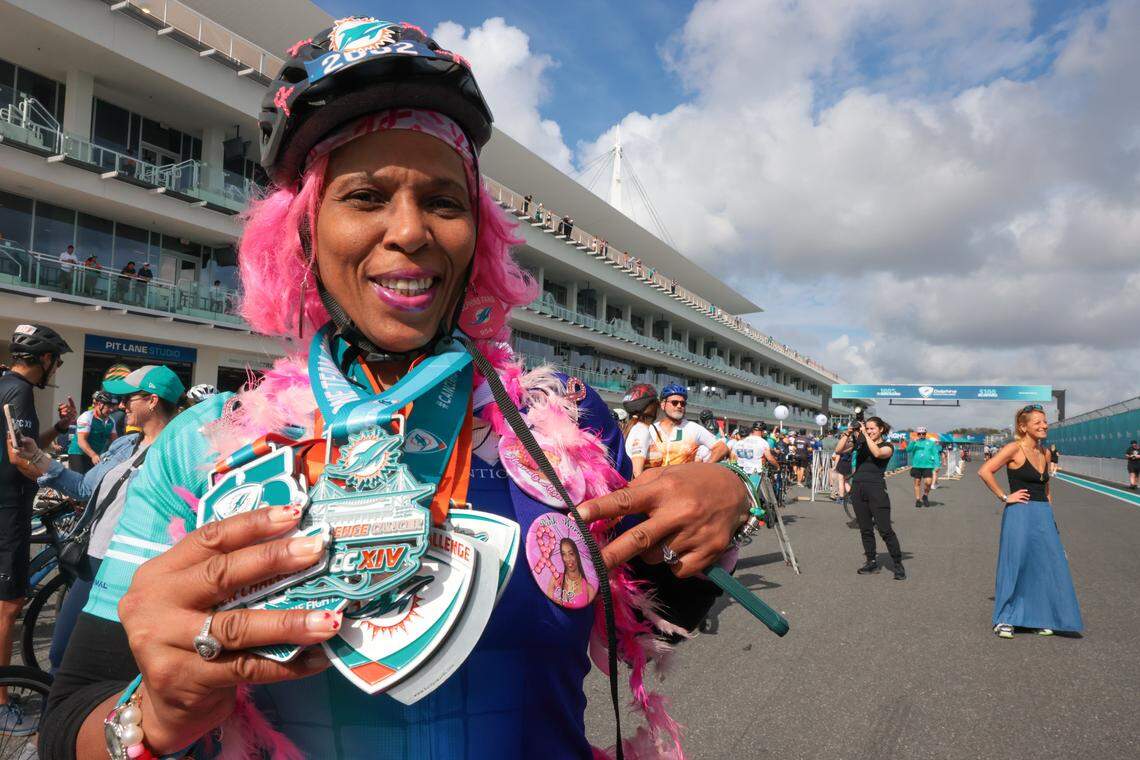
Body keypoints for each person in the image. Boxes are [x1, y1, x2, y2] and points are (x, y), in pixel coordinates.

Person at [42, 20, 754, 759]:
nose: (410, 230)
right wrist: (152, 720)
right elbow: (69, 727)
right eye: (366, 196)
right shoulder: (203, 448)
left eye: (445, 202)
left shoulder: (562, 424)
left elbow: (647, 617)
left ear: (479, 237)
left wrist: (714, 520)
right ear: (305, 233)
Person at [14, 365, 185, 673]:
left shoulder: (179, 455)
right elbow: (82, 488)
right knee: (60, 653)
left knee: (118, 664)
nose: (121, 406)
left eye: (128, 398)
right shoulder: (125, 445)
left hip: (135, 572)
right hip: (92, 560)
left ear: (153, 401)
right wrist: (36, 456)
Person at [0, 324, 75, 734]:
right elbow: (20, 459)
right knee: (9, 607)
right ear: (44, 359)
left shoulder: (5, 385)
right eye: (57, 360)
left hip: (6, 504)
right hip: (8, 507)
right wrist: (66, 482)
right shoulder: (21, 392)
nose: (57, 366)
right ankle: (1, 700)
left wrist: (60, 432)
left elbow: (26, 446)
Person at [977, 405, 1082, 638]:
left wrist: (1051, 519)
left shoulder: (1045, 453)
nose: (1044, 426)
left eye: (1045, 422)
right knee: (1015, 562)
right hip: (1019, 512)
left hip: (1042, 514)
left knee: (1042, 565)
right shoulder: (1013, 448)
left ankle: (1035, 617)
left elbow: (1046, 489)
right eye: (1038, 422)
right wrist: (1005, 496)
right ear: (1023, 427)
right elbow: (985, 471)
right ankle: (1005, 618)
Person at [836, 416, 905, 580]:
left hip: (876, 490)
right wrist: (847, 434)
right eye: (867, 428)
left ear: (881, 429)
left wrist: (865, 435)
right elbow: (839, 450)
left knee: (885, 529)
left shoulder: (887, 446)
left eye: (872, 428)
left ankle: (897, 564)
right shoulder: (860, 444)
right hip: (858, 489)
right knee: (865, 529)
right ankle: (871, 562)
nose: (869, 431)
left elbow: (877, 452)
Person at [652, 384, 729, 467]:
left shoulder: (693, 428)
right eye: (674, 403)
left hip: (684, 478)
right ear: (663, 405)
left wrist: (705, 467)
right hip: (656, 478)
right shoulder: (651, 429)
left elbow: (722, 448)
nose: (679, 406)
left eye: (683, 403)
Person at [67, 391, 118, 475]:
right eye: (109, 406)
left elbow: (115, 441)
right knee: (79, 480)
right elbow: (81, 441)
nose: (111, 410)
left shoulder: (111, 421)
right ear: (99, 405)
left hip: (95, 454)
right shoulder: (86, 417)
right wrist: (93, 455)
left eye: (112, 407)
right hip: (78, 453)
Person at [621, 382, 659, 477]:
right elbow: (637, 473)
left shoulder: (635, 427)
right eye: (657, 404)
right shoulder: (642, 430)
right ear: (652, 407)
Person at [909, 427, 939, 508]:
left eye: (923, 433)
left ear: (925, 434)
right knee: (917, 483)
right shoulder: (915, 442)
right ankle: (918, 500)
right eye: (919, 433)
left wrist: (937, 465)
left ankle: (925, 496)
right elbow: (908, 450)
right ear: (917, 434)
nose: (921, 435)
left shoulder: (931, 443)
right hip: (916, 466)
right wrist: (912, 443)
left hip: (928, 466)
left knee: (928, 482)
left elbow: (936, 454)